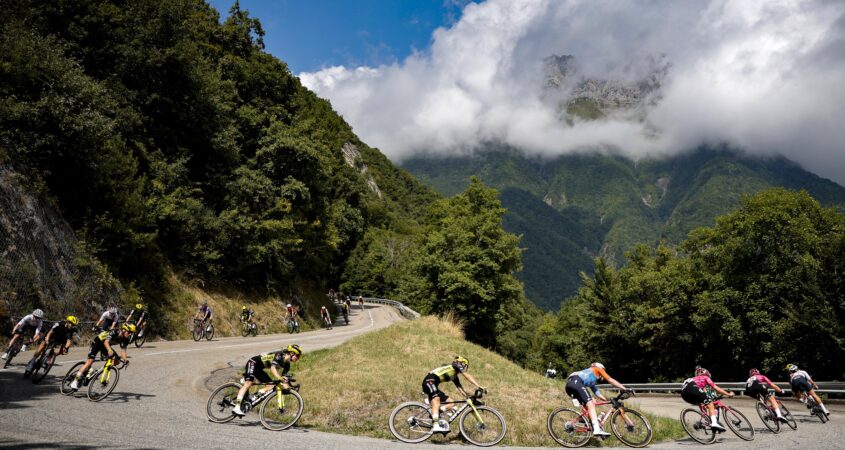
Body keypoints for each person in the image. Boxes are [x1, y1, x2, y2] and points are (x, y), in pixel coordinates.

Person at [231, 344, 302, 416]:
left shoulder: (287, 365)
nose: (298, 358)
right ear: (292, 353)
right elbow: (273, 368)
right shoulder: (279, 355)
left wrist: (290, 388)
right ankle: (237, 407)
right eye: (297, 356)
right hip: (253, 362)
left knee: (270, 386)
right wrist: (279, 377)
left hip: (259, 369)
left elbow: (283, 380)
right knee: (248, 383)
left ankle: (253, 397)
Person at [423, 356, 484, 433]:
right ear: (463, 364)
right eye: (466, 366)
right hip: (429, 381)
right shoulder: (456, 365)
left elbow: (461, 390)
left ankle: (436, 412)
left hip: (432, 383)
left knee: (451, 403)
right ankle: (435, 425)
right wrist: (478, 386)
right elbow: (466, 376)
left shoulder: (454, 375)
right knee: (437, 399)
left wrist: (470, 397)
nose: (466, 368)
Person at [565, 362, 628, 437]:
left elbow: (597, 393)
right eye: (603, 371)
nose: (603, 373)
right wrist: (624, 388)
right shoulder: (597, 369)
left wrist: (608, 400)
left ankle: (582, 422)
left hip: (571, 386)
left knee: (589, 406)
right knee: (590, 403)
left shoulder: (591, 382)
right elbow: (610, 379)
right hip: (576, 382)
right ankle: (597, 429)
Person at [68, 323, 134, 390]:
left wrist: (125, 360)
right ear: (123, 330)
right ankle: (75, 381)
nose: (130, 334)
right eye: (129, 332)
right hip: (97, 342)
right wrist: (109, 350)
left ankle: (100, 370)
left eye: (132, 333)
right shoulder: (114, 332)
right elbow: (106, 342)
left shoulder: (126, 339)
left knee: (117, 361)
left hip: (105, 346)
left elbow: (123, 351)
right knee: (89, 362)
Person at [681, 366, 734, 432]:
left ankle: (705, 422)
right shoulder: (705, 377)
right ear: (707, 374)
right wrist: (728, 394)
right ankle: (714, 423)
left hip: (684, 393)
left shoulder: (694, 379)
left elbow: (704, 393)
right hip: (692, 388)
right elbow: (716, 388)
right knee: (710, 404)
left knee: (704, 404)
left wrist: (704, 401)